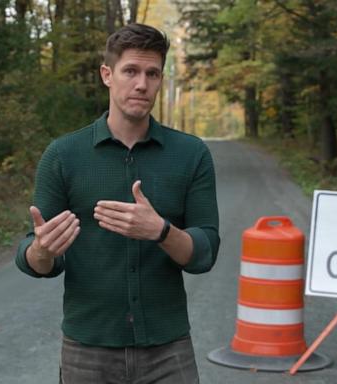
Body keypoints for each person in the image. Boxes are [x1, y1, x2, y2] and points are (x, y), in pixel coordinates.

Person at [16, 23, 219, 384]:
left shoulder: (192, 154)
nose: (142, 83)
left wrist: (160, 231)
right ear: (107, 75)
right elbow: (35, 257)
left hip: (168, 349)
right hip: (87, 349)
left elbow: (204, 253)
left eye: (152, 73)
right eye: (131, 71)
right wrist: (43, 251)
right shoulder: (63, 156)